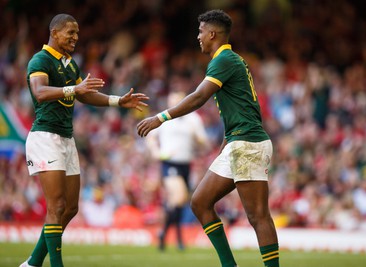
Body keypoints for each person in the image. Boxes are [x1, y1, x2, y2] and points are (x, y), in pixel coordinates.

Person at [137, 9, 279, 267]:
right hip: (238, 142)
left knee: (258, 216)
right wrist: (227, 143)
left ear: (212, 33)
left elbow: (198, 97)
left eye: (201, 31)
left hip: (247, 143)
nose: (198, 36)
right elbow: (246, 108)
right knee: (200, 202)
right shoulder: (231, 60)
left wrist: (160, 118)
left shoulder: (224, 60)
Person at [21, 14, 149, 267]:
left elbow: (85, 95)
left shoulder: (70, 64)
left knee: (70, 209)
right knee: (56, 205)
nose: (75, 38)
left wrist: (116, 100)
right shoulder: (40, 60)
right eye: (70, 32)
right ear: (54, 32)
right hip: (45, 137)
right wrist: (73, 89)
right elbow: (40, 92)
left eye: (77, 33)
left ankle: (33, 263)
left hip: (67, 139)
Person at [146, 91, 210, 251]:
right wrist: (156, 152)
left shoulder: (193, 119)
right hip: (169, 163)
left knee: (178, 202)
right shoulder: (164, 118)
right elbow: (151, 137)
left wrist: (199, 141)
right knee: (179, 196)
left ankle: (166, 234)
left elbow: (204, 143)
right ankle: (177, 236)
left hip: (186, 164)